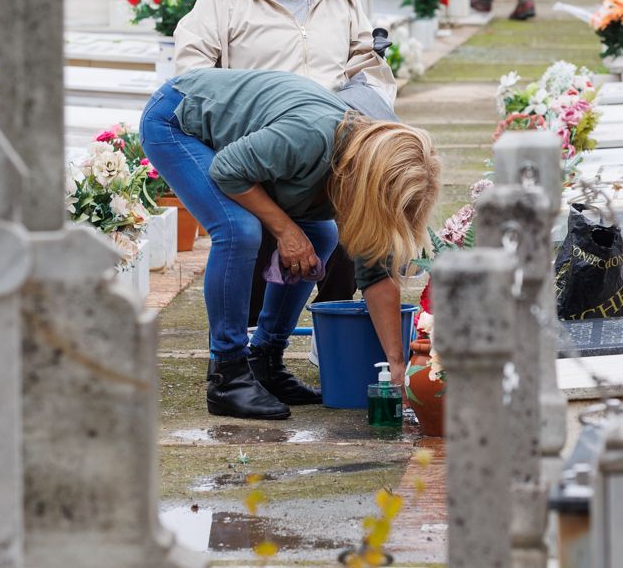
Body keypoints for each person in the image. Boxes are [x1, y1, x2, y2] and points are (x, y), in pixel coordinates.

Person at [172, 0, 406, 359]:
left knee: (348, 233)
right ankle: (246, 354)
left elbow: (370, 68)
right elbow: (190, 75)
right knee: (247, 236)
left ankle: (329, 345)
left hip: (326, 153)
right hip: (253, 155)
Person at [140, 68, 441, 420]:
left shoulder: (367, 166)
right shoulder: (310, 137)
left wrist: (397, 365)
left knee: (321, 234)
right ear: (374, 183)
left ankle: (265, 358)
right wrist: (285, 230)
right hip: (177, 120)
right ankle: (228, 374)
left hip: (234, 139)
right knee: (239, 230)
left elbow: (375, 273)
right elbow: (227, 171)